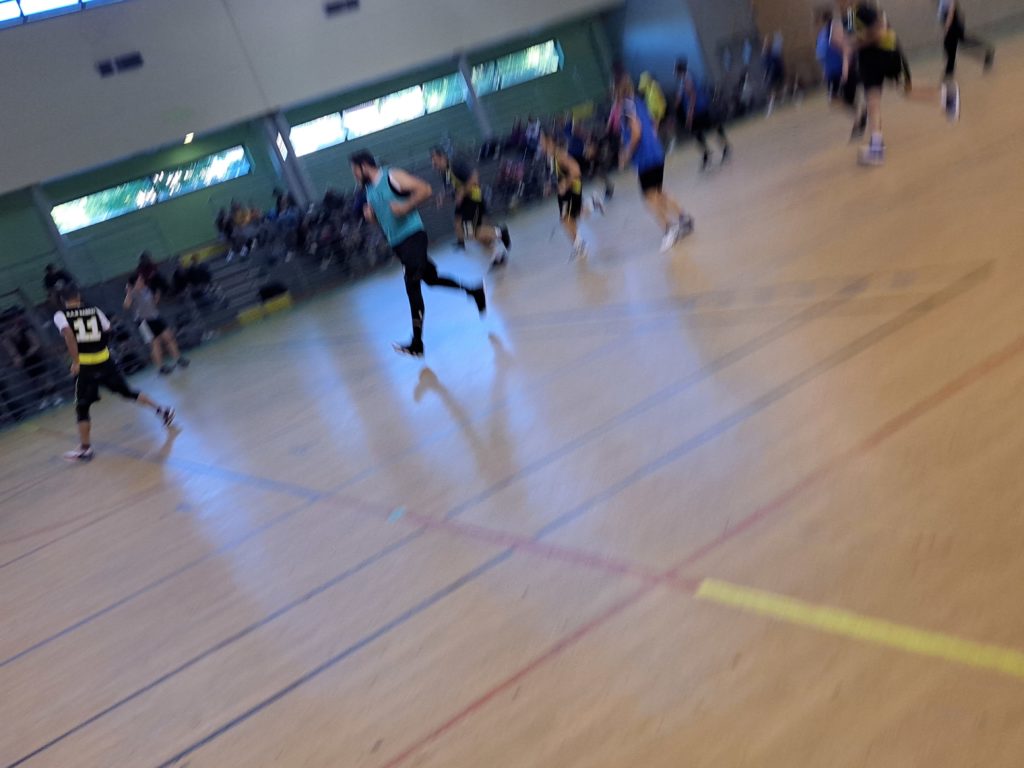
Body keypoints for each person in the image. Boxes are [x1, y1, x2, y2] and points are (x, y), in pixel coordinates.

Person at [351, 150, 486, 358]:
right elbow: (384, 219)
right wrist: (372, 218)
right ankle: (475, 291)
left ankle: (417, 343)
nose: (354, 175)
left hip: (413, 236)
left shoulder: (392, 176)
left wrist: (405, 207)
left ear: (364, 166)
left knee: (411, 285)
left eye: (355, 170)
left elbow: (425, 189)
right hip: (398, 244)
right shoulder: (368, 191)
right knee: (431, 279)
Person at [54, 284, 175, 462]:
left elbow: (69, 335)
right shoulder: (94, 310)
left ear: (62, 300)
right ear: (78, 296)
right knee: (127, 391)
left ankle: (85, 449)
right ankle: (162, 410)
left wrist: (76, 361)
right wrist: (99, 346)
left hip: (85, 365)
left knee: (82, 406)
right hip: (104, 360)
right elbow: (109, 329)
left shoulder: (61, 315)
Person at [617, 75, 694, 253]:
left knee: (650, 198)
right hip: (656, 153)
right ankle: (683, 218)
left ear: (617, 92)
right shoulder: (638, 102)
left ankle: (669, 230)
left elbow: (636, 132)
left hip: (645, 158)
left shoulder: (626, 107)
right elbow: (650, 124)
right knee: (658, 192)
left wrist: (627, 153)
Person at [429, 147, 511, 269]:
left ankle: (499, 232)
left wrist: (462, 193)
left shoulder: (456, 165)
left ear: (442, 157)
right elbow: (455, 191)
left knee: (471, 232)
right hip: (465, 203)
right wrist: (444, 198)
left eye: (434, 160)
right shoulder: (445, 174)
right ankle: (497, 256)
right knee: (471, 233)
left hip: (474, 199)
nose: (433, 164)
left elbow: (474, 178)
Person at [124, 271, 190, 374]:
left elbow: (152, 304)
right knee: (155, 344)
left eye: (142, 279)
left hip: (156, 317)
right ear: (135, 282)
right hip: (144, 322)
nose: (142, 280)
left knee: (169, 337)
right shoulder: (133, 293)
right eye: (139, 279)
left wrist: (157, 297)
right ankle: (161, 367)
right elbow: (126, 306)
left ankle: (179, 359)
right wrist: (128, 292)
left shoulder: (146, 289)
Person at [539, 129, 588, 261]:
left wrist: (565, 184)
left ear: (550, 142)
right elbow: (557, 175)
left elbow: (576, 170)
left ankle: (580, 245)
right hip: (566, 191)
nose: (540, 143)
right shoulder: (551, 157)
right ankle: (579, 245)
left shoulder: (560, 155)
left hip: (572, 189)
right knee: (567, 219)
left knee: (567, 219)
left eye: (542, 141)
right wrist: (551, 186)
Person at [674, 59, 731, 171]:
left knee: (703, 131)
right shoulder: (686, 78)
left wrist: (690, 113)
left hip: (698, 110)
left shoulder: (686, 79)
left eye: (675, 70)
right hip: (700, 109)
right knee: (704, 131)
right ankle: (711, 152)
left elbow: (692, 95)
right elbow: (682, 96)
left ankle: (717, 150)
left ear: (679, 70)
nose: (674, 72)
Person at [1, 312, 60, 409]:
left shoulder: (25, 330)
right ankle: (44, 399)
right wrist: (17, 358)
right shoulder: (7, 337)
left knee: (44, 378)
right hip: (26, 361)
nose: (9, 329)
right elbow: (12, 350)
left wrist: (28, 353)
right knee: (36, 381)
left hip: (35, 357)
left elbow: (36, 344)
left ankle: (55, 396)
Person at [939, 0, 994, 79]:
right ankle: (949, 71)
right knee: (957, 43)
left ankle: (949, 72)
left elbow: (952, 7)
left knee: (952, 44)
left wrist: (948, 23)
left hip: (953, 20)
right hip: (950, 19)